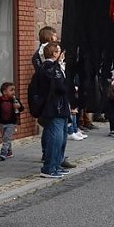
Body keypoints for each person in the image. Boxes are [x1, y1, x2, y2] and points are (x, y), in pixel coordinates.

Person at [36, 42, 71, 178]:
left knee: (62, 137)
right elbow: (60, 86)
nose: (62, 54)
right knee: (56, 138)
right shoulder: (49, 67)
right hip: (55, 107)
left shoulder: (55, 67)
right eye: (60, 51)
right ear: (54, 53)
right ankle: (49, 168)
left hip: (61, 106)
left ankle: (56, 165)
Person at [0, 82, 22, 161]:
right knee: (5, 137)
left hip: (11, 123)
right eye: (11, 90)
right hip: (2, 123)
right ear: (4, 92)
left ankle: (3, 153)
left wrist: (19, 106)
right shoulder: (0, 99)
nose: (13, 92)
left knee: (6, 138)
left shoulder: (14, 100)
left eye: (14, 90)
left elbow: (21, 108)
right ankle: (9, 152)